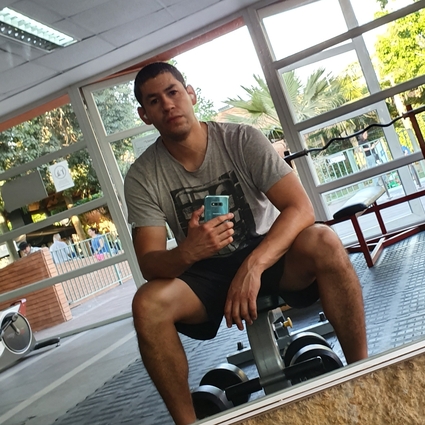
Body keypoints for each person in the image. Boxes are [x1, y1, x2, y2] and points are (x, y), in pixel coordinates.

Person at [124, 62, 367, 425]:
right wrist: (188, 252)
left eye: (173, 92)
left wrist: (253, 266)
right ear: (145, 115)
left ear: (190, 94)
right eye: (154, 101)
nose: (168, 105)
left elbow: (300, 208)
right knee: (147, 304)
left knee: (324, 240)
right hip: (203, 273)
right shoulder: (143, 175)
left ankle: (363, 375)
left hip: (268, 254)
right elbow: (150, 262)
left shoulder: (241, 140)